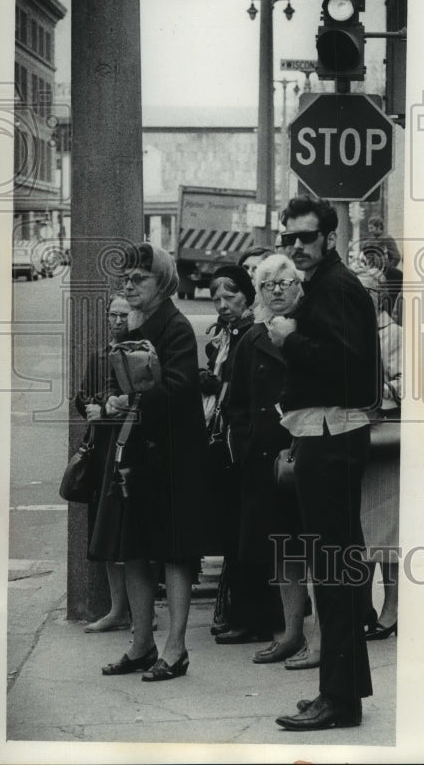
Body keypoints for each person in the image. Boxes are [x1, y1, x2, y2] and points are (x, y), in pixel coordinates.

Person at [270, 196, 382, 732]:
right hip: (326, 434)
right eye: (289, 237)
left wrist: (291, 341)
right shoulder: (325, 284)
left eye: (306, 237)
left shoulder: (335, 286)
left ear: (329, 238)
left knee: (334, 575)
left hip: (331, 436)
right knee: (336, 572)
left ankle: (338, 701)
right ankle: (342, 694)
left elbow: (347, 366)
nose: (296, 247)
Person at [91, 242, 205, 682]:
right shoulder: (136, 323)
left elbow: (178, 387)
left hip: (173, 456)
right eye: (126, 279)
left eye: (139, 278)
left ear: (163, 283)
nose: (129, 285)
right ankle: (141, 644)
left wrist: (131, 400)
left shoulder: (174, 327)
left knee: (174, 554)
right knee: (134, 549)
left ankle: (175, 650)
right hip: (139, 452)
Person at [227, 253, 312, 665]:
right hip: (267, 463)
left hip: (310, 454)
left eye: (285, 282)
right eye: (267, 285)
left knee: (318, 549)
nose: (277, 291)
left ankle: (320, 638)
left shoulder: (311, 329)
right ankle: (290, 633)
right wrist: (246, 446)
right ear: (258, 292)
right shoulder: (251, 338)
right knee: (283, 551)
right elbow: (237, 403)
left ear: (299, 285)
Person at [198, 265, 270, 644]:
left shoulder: (250, 334)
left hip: (242, 442)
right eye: (216, 299)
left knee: (245, 533)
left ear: (248, 295)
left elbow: (244, 388)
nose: (223, 305)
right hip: (227, 438)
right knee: (233, 530)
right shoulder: (227, 335)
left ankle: (250, 616)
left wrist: (215, 383)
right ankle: (240, 612)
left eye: (230, 297)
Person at [75, 293, 132, 633]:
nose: (117, 321)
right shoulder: (100, 354)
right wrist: (93, 406)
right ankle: (116, 608)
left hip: (130, 449)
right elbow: (81, 398)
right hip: (103, 450)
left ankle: (142, 611)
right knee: (106, 530)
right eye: (113, 315)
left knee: (133, 531)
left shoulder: (143, 354)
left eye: (123, 315)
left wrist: (107, 409)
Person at [355, 269, 401, 641]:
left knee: (387, 534)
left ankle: (392, 607)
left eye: (365, 291)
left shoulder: (395, 336)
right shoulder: (350, 332)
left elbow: (409, 385)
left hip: (387, 441)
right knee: (362, 530)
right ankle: (363, 606)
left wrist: (380, 381)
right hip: (357, 439)